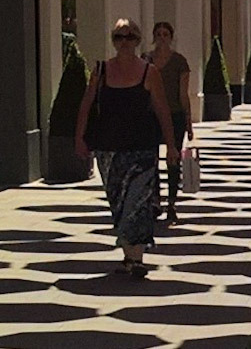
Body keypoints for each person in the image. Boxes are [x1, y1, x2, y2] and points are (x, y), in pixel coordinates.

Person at [75, 18, 178, 278]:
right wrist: (79, 138)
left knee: (139, 202)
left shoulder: (149, 72)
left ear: (138, 41)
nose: (124, 42)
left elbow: (163, 110)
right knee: (119, 202)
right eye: (119, 37)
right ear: (113, 41)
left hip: (142, 147)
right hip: (108, 148)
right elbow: (86, 106)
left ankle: (137, 257)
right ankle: (128, 252)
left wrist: (172, 146)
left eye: (130, 37)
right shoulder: (100, 71)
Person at [146, 22, 192, 225]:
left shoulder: (179, 62)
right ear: (154, 37)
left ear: (171, 37)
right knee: (150, 159)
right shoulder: (146, 60)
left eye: (166, 34)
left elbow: (183, 93)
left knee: (173, 158)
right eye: (159, 34)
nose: (162, 37)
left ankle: (172, 202)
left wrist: (189, 121)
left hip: (175, 115)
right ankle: (155, 199)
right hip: (150, 115)